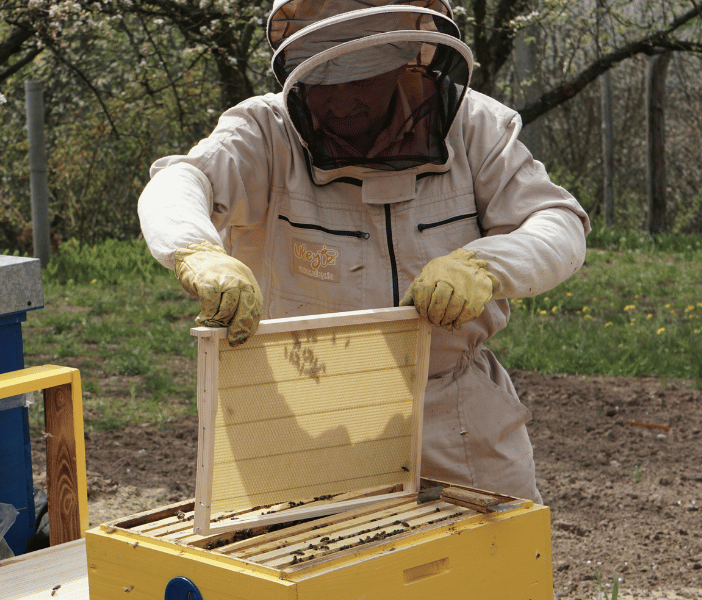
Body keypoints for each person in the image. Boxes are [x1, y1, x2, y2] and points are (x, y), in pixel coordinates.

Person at [137, 0, 589, 503]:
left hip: (451, 408)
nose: (342, 101)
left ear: (404, 64)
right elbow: (180, 181)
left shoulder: (476, 127)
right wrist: (197, 251)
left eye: (361, 81)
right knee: (310, 573)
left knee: (496, 566)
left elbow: (558, 223)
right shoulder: (264, 132)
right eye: (326, 84)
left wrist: (485, 264)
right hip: (305, 408)